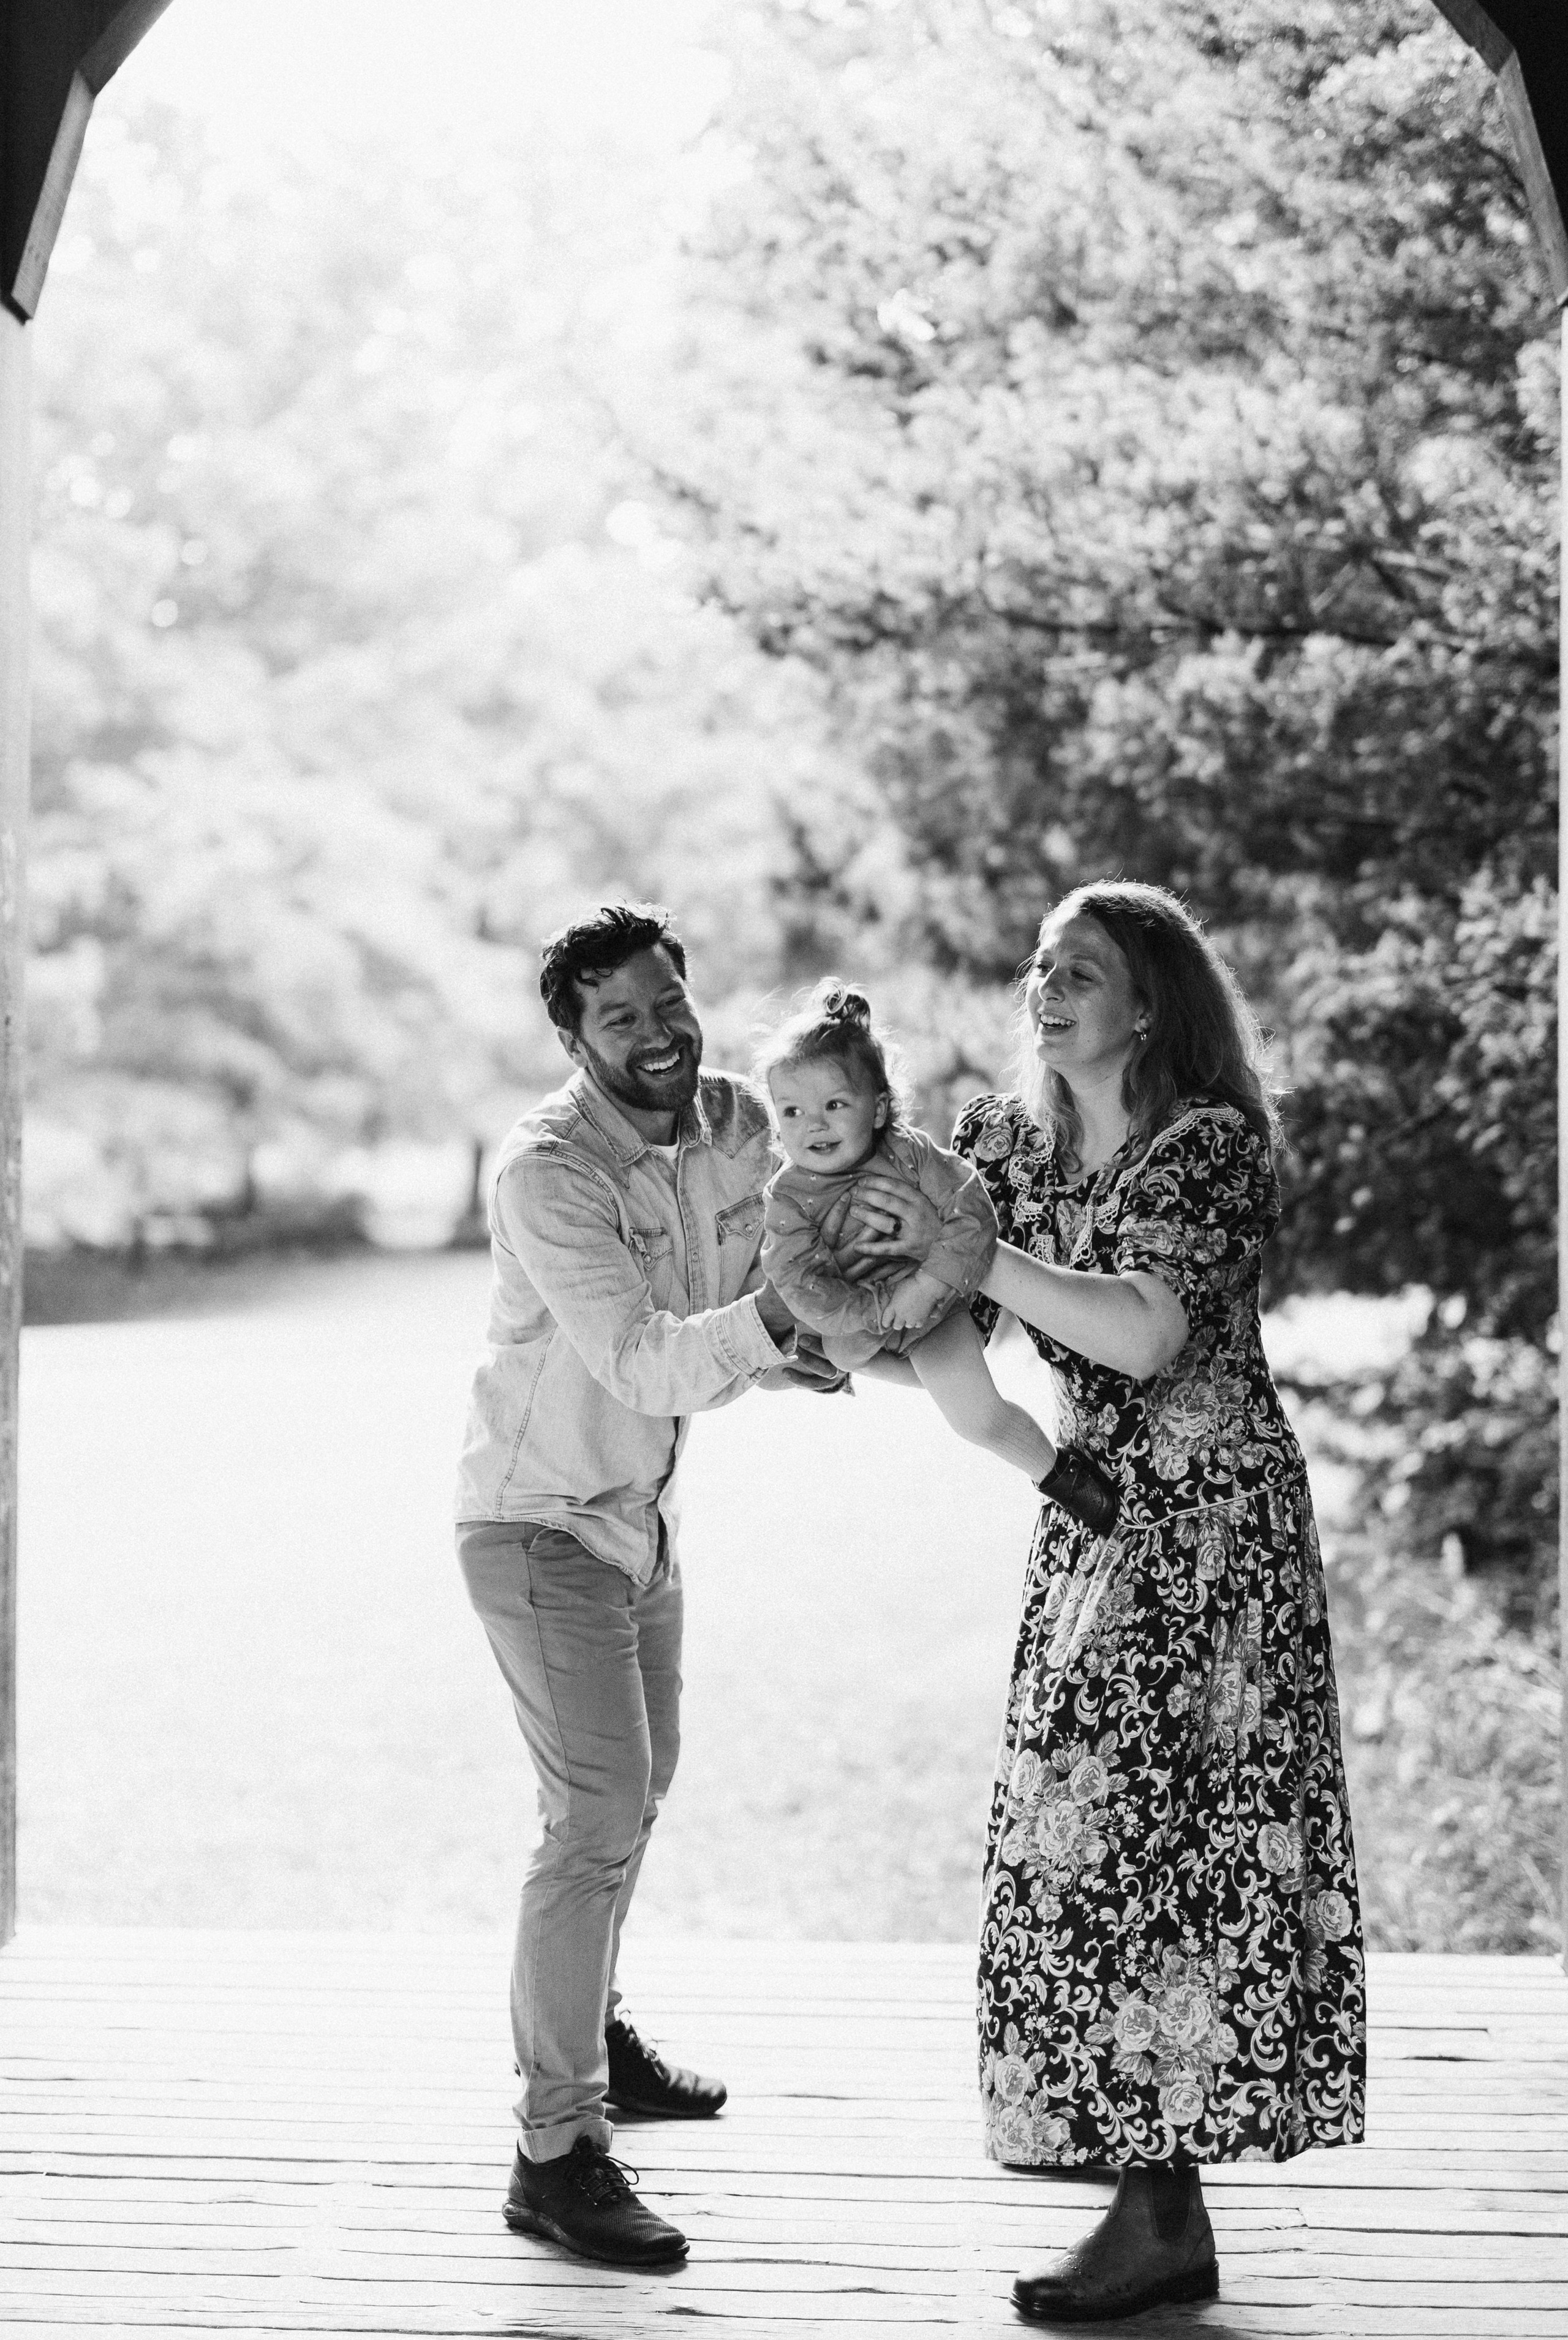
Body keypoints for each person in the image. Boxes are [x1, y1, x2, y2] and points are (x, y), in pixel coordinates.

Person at [843, 881, 1365, 2324]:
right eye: (1035, 965)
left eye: (1077, 968)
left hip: (1211, 1526)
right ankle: (1145, 2180)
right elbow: (954, 1340)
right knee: (1081, 1831)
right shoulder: (1002, 1147)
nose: (1042, 986)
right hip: (1090, 1511)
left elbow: (1139, 1331)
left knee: (1179, 1835)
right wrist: (844, 1300)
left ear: (1146, 1001)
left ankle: (1160, 2206)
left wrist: (968, 1249)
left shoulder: (1207, 1142)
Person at [454, 902, 839, 2271]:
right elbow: (641, 1358)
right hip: (538, 1521)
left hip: (639, 1521)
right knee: (593, 1813)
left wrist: (837, 1318)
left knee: (640, 1787)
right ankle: (552, 2154)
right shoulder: (545, 1172)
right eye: (620, 1016)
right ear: (572, 1036)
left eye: (668, 1000)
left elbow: (804, 1224)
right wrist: (783, 1329)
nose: (659, 1032)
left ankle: (593, 2031)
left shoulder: (735, 1123)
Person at [757, 979, 1118, 1527]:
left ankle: (1060, 1476)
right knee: (836, 1349)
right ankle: (900, 1367)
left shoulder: (909, 1155)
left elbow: (974, 1215)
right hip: (859, 1317)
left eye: (834, 1104)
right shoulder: (788, 1195)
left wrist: (923, 1287)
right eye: (792, 1111)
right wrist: (876, 1309)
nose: (814, 1125)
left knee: (974, 1418)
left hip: (934, 1309)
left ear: (878, 1110)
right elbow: (796, 1276)